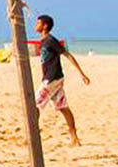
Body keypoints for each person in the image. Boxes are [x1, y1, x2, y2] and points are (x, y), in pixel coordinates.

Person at [34, 14, 91, 146]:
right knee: (63, 108)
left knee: (34, 105)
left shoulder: (50, 40)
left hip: (52, 79)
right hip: (54, 78)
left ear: (45, 26)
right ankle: (75, 139)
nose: (36, 25)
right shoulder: (43, 41)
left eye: (38, 23)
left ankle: (34, 135)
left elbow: (67, 55)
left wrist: (82, 74)